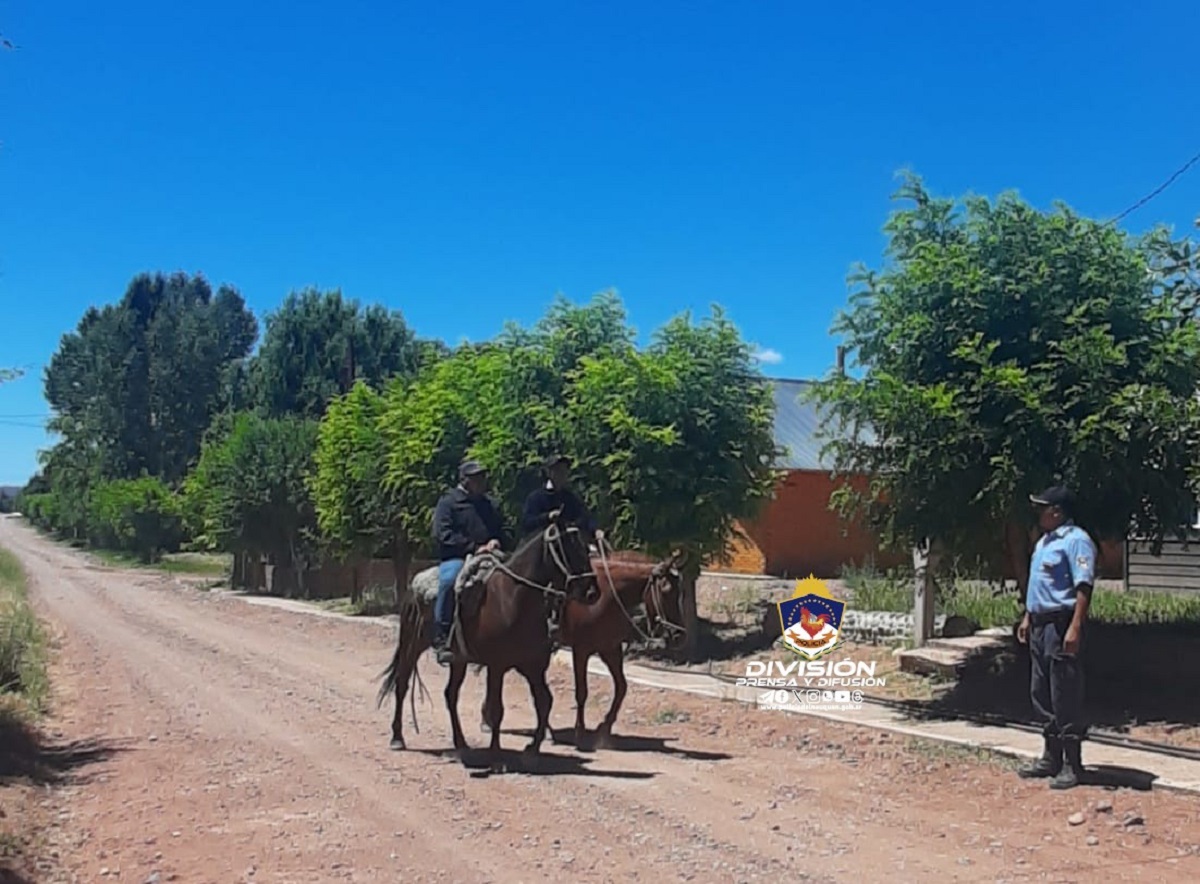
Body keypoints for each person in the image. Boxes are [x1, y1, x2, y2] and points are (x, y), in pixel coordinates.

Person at [1016, 484, 1096, 790]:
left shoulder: (1077, 541)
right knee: (1041, 691)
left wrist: (1075, 627)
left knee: (1065, 690)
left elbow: (1083, 586)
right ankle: (1050, 756)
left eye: (1042, 507)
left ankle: (1072, 764)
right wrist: (1028, 617)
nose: (1038, 513)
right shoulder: (1044, 543)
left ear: (1057, 511)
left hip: (1062, 624)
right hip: (1039, 624)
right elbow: (1039, 586)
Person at [431, 460, 508, 665]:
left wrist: (496, 540)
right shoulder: (448, 503)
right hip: (457, 556)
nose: (482, 482)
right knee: (449, 582)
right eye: (477, 478)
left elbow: (501, 530)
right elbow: (443, 534)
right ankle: (442, 636)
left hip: (491, 555)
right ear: (464, 480)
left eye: (482, 477)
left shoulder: (489, 504)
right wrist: (474, 547)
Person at [521, 454, 602, 641]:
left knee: (585, 567)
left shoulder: (569, 497)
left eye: (565, 471)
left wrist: (594, 529)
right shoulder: (536, 498)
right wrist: (548, 517)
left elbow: (584, 516)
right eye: (558, 471)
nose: (562, 475)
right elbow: (527, 522)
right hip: (541, 551)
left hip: (567, 547)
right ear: (549, 473)